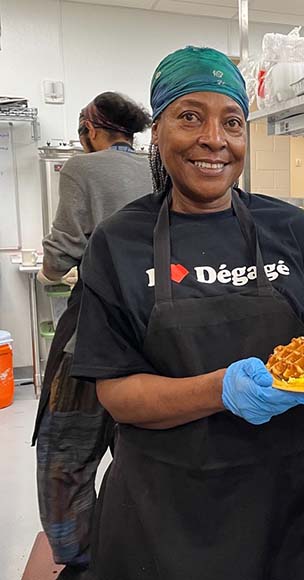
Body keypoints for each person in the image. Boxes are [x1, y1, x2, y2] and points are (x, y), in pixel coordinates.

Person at [69, 46, 304, 579]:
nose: (214, 140)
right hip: (163, 512)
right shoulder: (117, 243)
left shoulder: (292, 231)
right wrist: (221, 389)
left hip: (282, 508)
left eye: (232, 122)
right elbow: (117, 395)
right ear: (158, 132)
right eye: (189, 116)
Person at [32, 92, 152, 579]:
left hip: (92, 335)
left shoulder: (83, 169)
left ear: (91, 127)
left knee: (65, 456)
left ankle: (81, 561)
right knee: (138, 455)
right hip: (149, 336)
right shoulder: (157, 168)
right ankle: (133, 551)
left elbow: (61, 254)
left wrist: (49, 272)